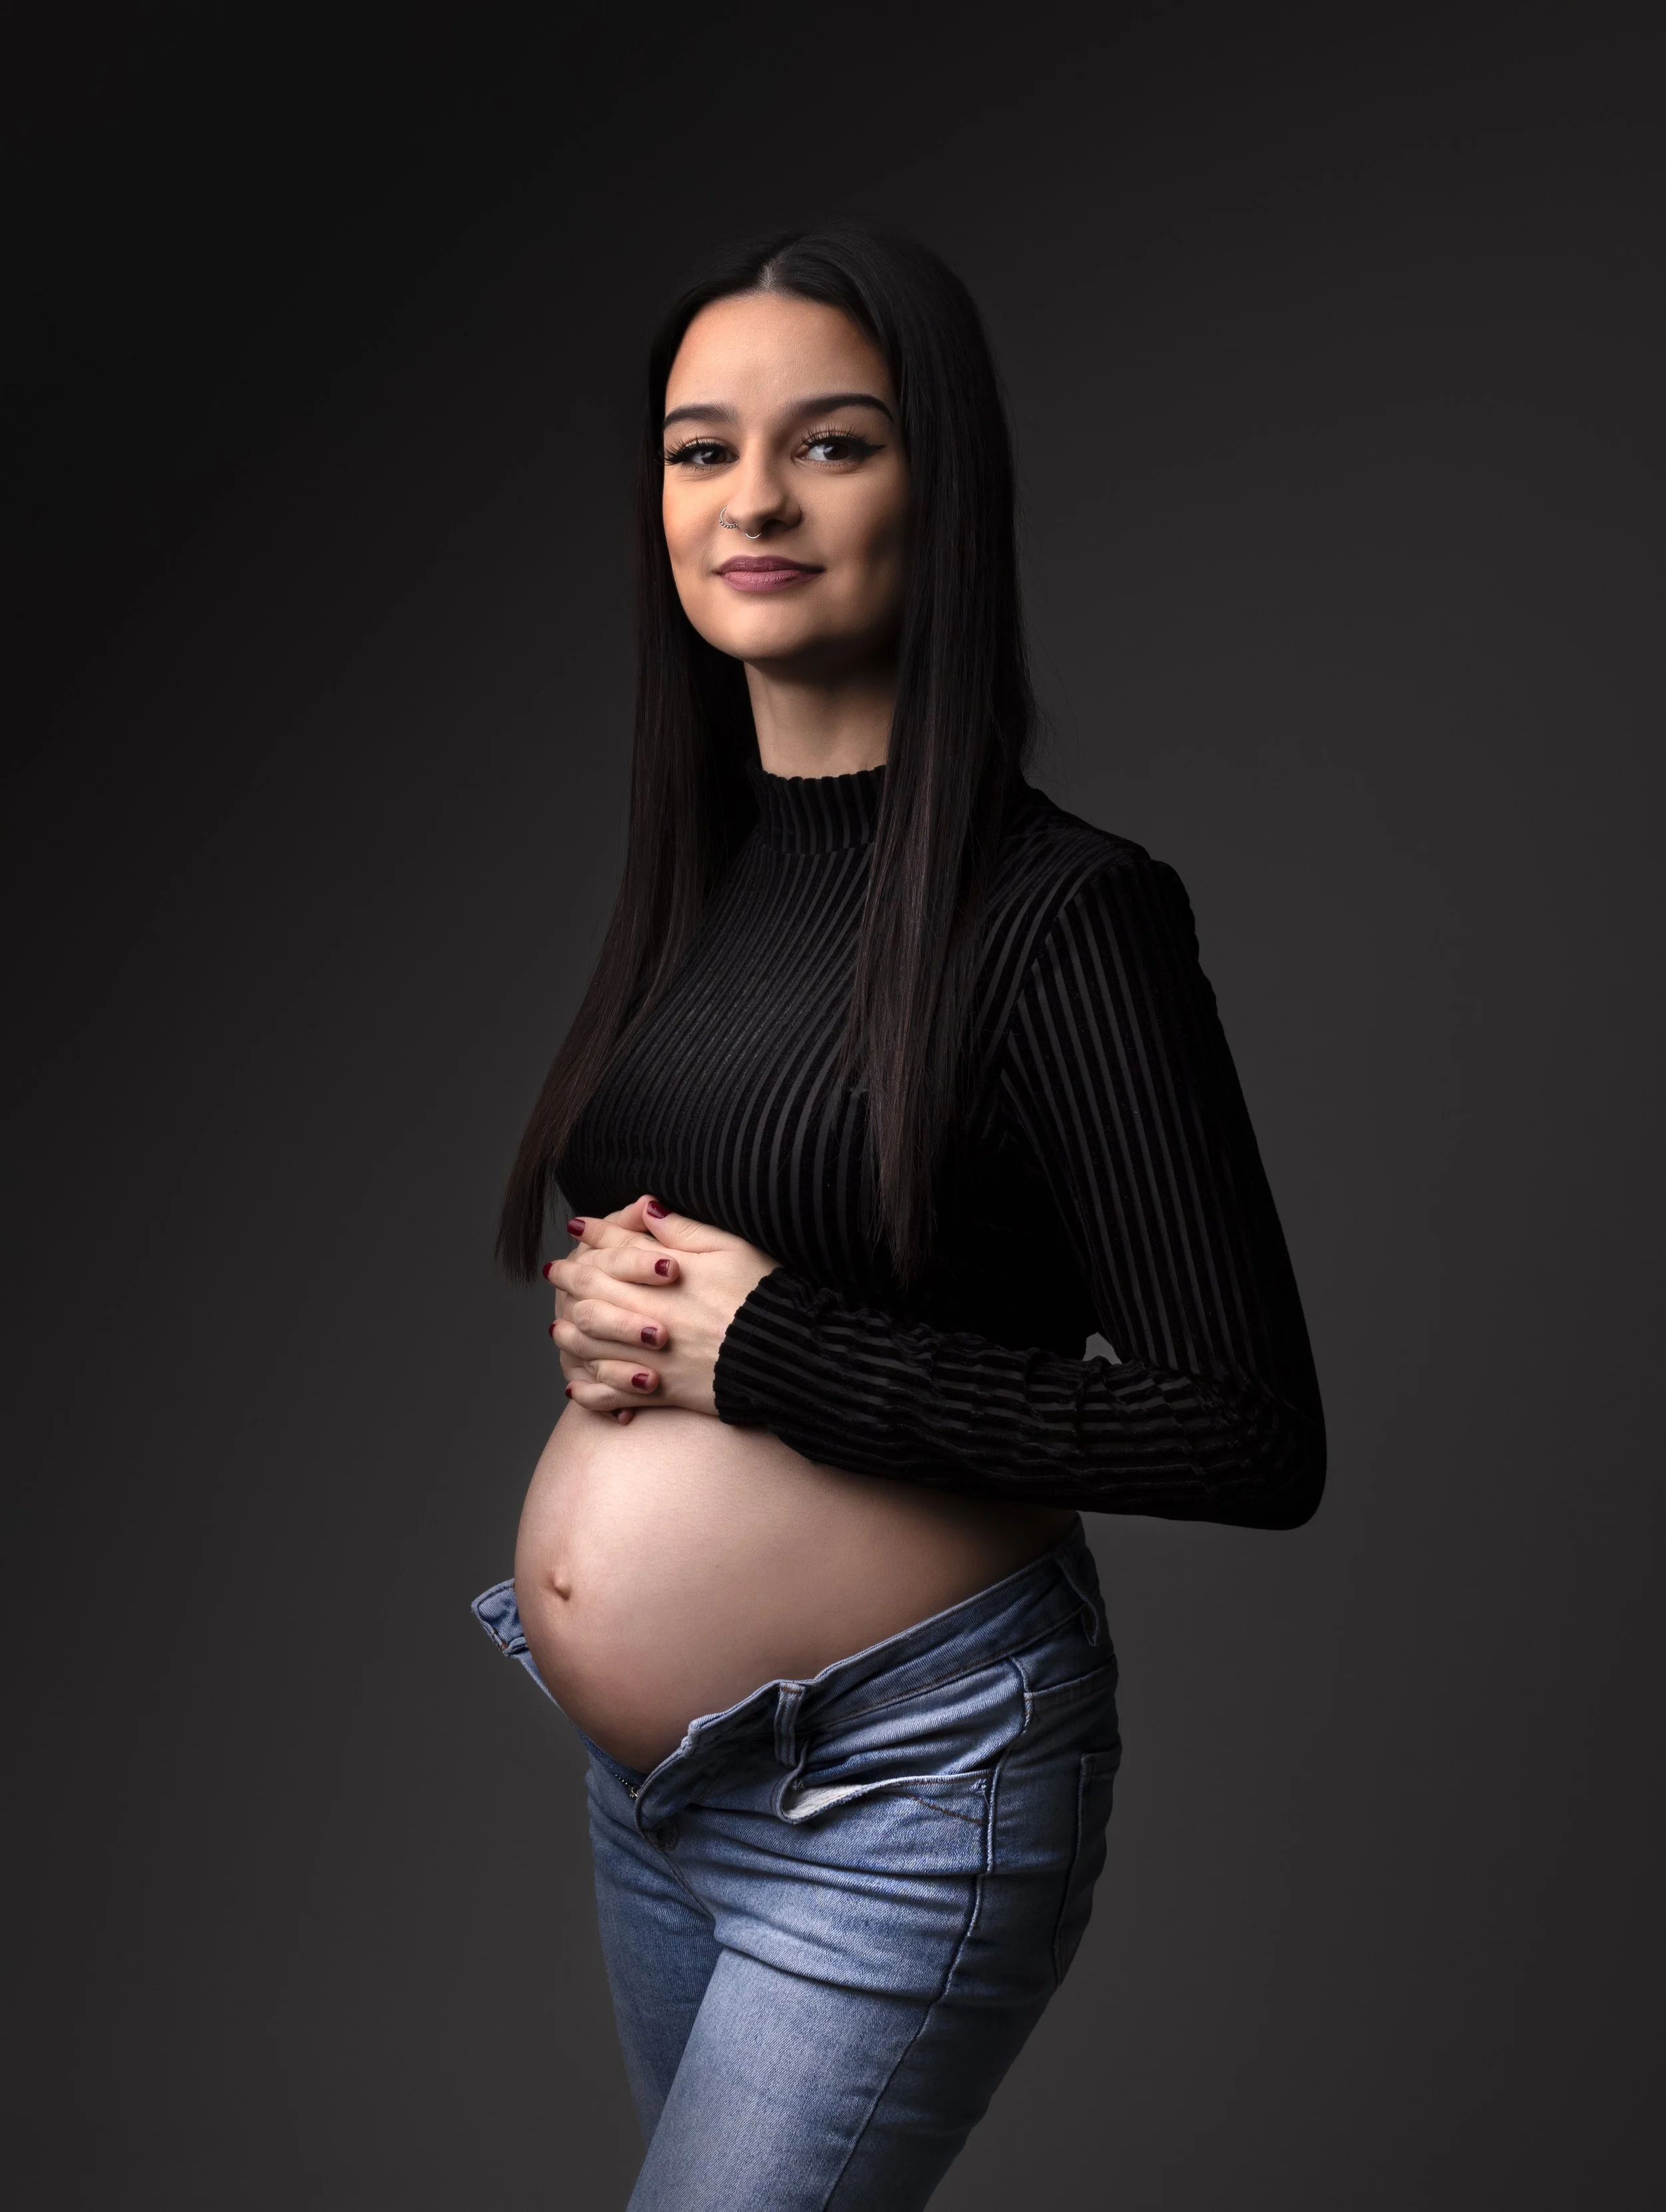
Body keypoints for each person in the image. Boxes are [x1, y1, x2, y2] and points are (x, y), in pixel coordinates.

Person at [472, 225, 1324, 2211]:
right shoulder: (710, 872)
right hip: (662, 1793)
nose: (753, 500)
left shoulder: (1064, 917)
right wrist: (617, 1322)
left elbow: (1245, 1431)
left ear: (941, 492)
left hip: (900, 1787)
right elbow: (753, 1250)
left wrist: (764, 1348)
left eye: (831, 444)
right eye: (700, 450)